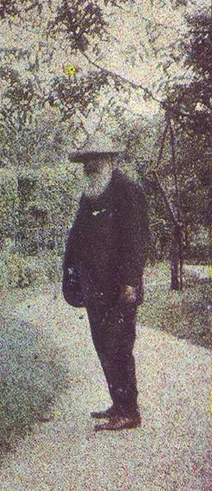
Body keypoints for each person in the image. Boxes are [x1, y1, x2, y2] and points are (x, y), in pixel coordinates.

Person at [62, 138, 149, 432]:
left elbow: (136, 242)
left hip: (119, 289)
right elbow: (78, 238)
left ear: (111, 162)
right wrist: (73, 275)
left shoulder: (128, 192)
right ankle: (118, 403)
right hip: (95, 288)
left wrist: (130, 282)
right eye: (86, 163)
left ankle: (129, 411)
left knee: (120, 346)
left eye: (95, 162)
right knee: (104, 346)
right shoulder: (90, 195)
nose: (89, 167)